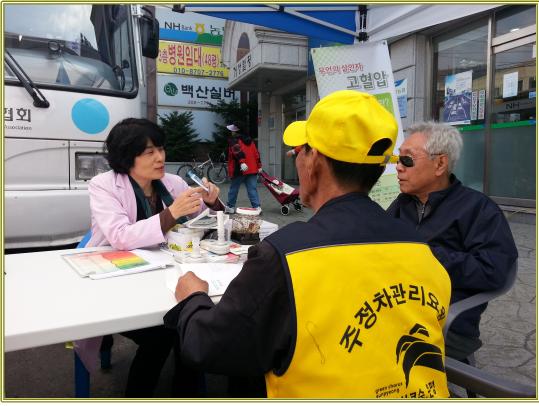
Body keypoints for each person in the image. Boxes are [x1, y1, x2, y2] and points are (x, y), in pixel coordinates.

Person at [164, 91, 451, 398]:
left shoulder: (284, 255)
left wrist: (193, 297)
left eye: (300, 150)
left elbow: (207, 347)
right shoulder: (421, 248)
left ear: (314, 161)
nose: (296, 158)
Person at [86, 118, 223, 397]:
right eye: (149, 152)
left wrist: (212, 203)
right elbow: (120, 237)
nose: (160, 157)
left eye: (160, 148)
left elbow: (200, 222)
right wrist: (172, 214)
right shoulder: (104, 185)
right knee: (166, 332)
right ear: (127, 156)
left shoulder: (171, 182)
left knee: (186, 320)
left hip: (163, 274)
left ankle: (186, 393)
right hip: (119, 279)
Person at [387, 121, 518, 361]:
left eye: (407, 159)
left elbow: (495, 270)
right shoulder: (402, 204)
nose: (398, 167)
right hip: (391, 305)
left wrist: (424, 256)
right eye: (397, 159)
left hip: (445, 319)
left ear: (440, 164)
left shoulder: (478, 209)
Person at [225, 123, 262, 212]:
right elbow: (256, 154)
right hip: (252, 169)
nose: (231, 132)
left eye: (233, 130)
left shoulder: (234, 140)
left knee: (234, 188)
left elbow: (237, 151)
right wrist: (259, 166)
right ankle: (257, 207)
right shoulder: (250, 141)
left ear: (237, 131)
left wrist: (242, 162)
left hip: (240, 169)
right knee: (252, 189)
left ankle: (230, 207)